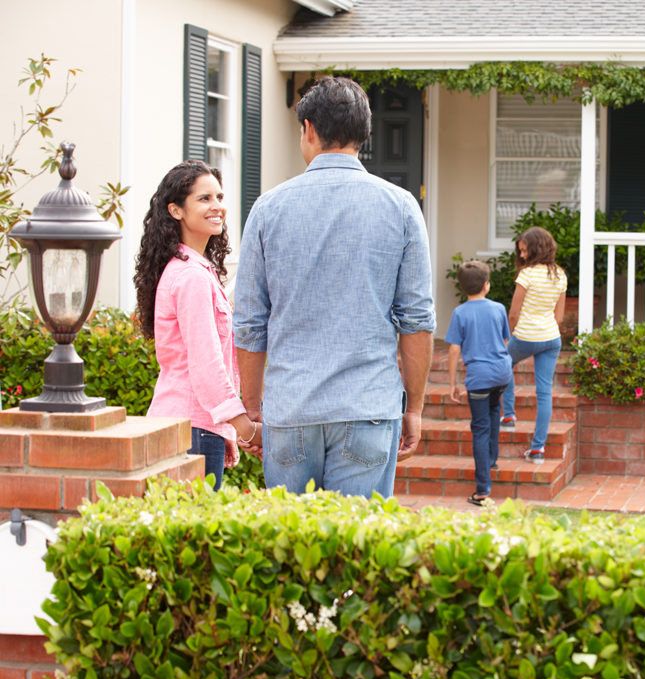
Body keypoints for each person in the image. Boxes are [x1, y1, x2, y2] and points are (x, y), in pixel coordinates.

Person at [233, 76, 435, 498]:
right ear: (364, 133)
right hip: (368, 407)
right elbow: (416, 321)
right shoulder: (400, 207)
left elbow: (251, 323)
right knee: (357, 553)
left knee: (291, 550)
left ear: (308, 129)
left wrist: (252, 409)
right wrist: (413, 408)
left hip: (291, 410)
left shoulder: (268, 208)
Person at [133, 160, 262, 491]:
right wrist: (245, 427)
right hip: (193, 429)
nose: (217, 206)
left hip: (184, 425)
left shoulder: (191, 270)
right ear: (176, 210)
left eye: (219, 197)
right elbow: (206, 367)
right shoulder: (191, 276)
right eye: (204, 199)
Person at [445, 261, 513, 506]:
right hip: (502, 374)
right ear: (486, 285)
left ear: (463, 288)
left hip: (479, 377)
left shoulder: (460, 313)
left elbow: (454, 349)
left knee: (480, 427)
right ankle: (491, 459)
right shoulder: (498, 309)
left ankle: (483, 489)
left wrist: (452, 382)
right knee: (494, 411)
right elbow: (505, 340)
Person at [500, 226, 568, 464]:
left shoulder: (527, 275)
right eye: (521, 252)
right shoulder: (560, 275)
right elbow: (559, 317)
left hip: (526, 336)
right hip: (551, 339)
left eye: (526, 250)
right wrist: (547, 333)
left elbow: (513, 313)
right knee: (544, 392)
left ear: (537, 248)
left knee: (503, 364)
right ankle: (538, 449)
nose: (523, 256)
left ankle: (508, 415)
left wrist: (508, 337)